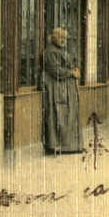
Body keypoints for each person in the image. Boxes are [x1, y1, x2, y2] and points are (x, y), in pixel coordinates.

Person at [41, 27, 83, 155]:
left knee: (69, 116)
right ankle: (58, 146)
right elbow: (55, 70)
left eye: (64, 38)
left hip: (66, 88)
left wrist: (75, 70)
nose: (63, 40)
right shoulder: (50, 52)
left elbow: (70, 63)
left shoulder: (62, 50)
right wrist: (72, 73)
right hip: (56, 88)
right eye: (60, 37)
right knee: (58, 116)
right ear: (54, 38)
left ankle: (70, 146)